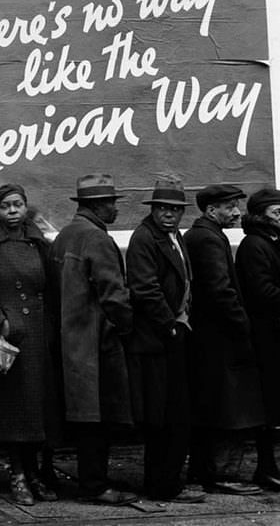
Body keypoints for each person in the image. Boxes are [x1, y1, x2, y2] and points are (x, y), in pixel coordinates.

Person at [0, 183, 59, 506]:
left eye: (18, 204)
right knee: (15, 413)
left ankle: (34, 473)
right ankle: (17, 475)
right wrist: (0, 321)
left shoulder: (37, 242)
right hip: (8, 342)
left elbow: (53, 286)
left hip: (38, 338)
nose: (13, 211)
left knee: (37, 411)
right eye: (6, 207)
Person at [49, 174, 138, 506]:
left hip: (69, 340)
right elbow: (114, 295)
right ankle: (95, 485)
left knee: (85, 417)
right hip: (96, 342)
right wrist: (126, 327)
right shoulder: (97, 239)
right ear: (98, 206)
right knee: (98, 417)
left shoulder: (64, 235)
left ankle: (92, 480)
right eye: (112, 202)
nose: (115, 207)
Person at [124, 179, 205, 504]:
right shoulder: (145, 238)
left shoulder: (174, 237)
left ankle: (169, 481)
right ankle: (162, 485)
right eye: (163, 209)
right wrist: (169, 325)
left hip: (176, 331)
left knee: (175, 414)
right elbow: (144, 289)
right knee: (164, 416)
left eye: (175, 210)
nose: (169, 215)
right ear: (153, 210)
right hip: (159, 338)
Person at [184, 184, 264, 495]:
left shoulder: (201, 234)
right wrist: (243, 325)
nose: (236, 212)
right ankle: (220, 474)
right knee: (227, 409)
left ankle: (205, 472)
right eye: (229, 206)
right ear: (210, 209)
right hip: (220, 339)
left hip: (209, 337)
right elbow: (220, 290)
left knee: (213, 407)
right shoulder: (208, 238)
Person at [235, 187, 280, 491]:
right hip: (267, 337)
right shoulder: (254, 245)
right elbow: (261, 292)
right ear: (260, 214)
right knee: (270, 405)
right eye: (276, 212)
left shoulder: (273, 242)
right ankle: (266, 467)